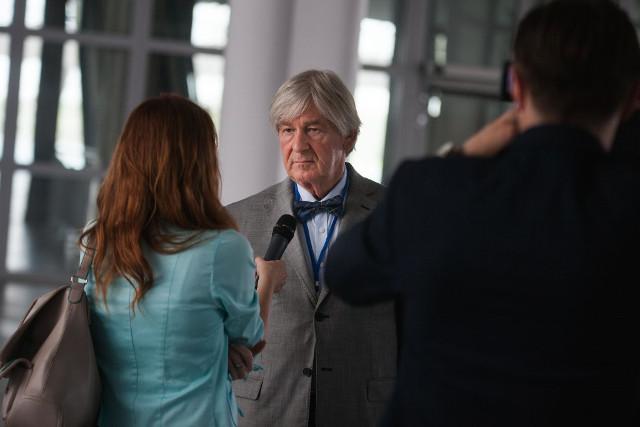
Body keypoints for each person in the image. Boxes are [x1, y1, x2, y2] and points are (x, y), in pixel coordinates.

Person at [324, 1, 640, 426]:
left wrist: (461, 156)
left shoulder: (435, 191)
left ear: (516, 85)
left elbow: (346, 272)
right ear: (633, 97)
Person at [79, 94, 286, 426]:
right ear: (199, 164)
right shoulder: (223, 248)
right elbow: (250, 339)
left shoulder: (96, 239)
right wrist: (268, 281)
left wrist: (214, 348)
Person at [227, 69, 398, 427]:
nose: (298, 145)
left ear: (349, 137)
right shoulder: (237, 220)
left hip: (363, 411)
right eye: (287, 130)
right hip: (265, 411)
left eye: (313, 129)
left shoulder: (397, 215)